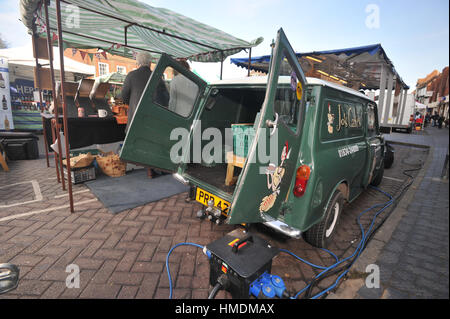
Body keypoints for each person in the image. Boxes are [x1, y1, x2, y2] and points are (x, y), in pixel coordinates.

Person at [121, 51, 168, 134]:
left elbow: (124, 96)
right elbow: (165, 99)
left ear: (137, 63)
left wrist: (132, 102)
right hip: (152, 120)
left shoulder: (131, 75)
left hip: (135, 119)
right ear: (150, 63)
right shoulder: (157, 77)